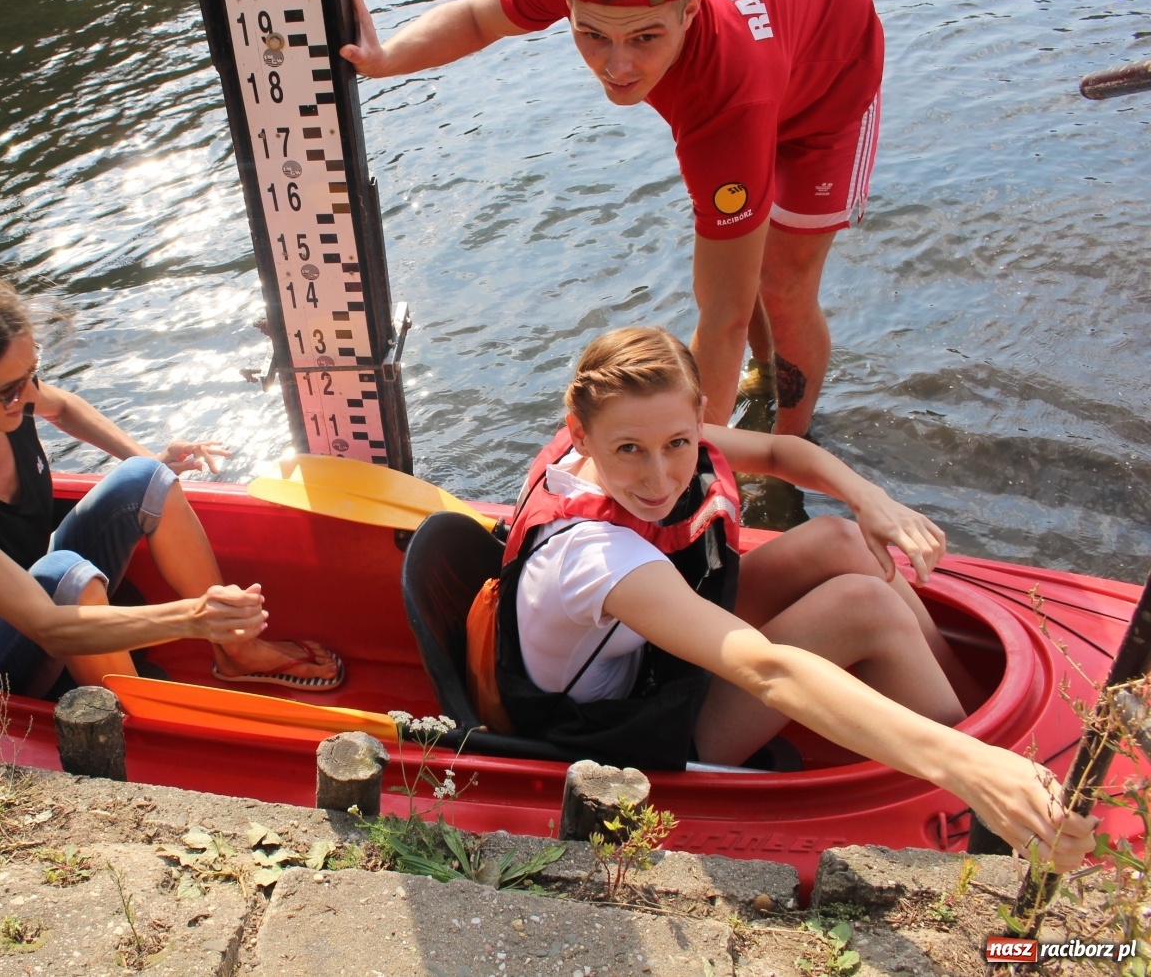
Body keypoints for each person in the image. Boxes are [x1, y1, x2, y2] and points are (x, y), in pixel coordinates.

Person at [467, 326, 1094, 868]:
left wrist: (868, 498)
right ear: (581, 432)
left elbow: (776, 449)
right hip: (631, 728)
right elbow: (767, 671)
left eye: (678, 444)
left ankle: (980, 726)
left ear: (697, 416)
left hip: (648, 660)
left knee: (837, 542)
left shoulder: (613, 431)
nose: (659, 478)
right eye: (630, 451)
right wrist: (967, 769)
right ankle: (987, 785)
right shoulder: (596, 557)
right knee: (863, 606)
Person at [340, 0, 887, 436]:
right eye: (593, 35)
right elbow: (480, 18)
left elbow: (722, 318)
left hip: (832, 64)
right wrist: (386, 59)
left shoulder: (727, 96)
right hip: (772, 26)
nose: (617, 68)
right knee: (745, 271)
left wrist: (685, 477)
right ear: (565, 2)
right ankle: (764, 375)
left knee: (781, 283)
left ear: (689, 9)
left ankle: (791, 444)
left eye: (645, 38)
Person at [0, 268, 343, 697]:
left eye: (31, 374)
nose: (30, 396)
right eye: (11, 390)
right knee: (62, 577)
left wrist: (152, 464)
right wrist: (192, 619)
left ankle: (236, 654)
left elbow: (64, 407)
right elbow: (48, 626)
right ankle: (130, 717)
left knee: (144, 479)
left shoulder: (4, 404)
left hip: (49, 588)